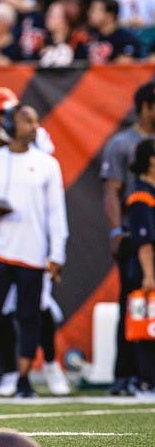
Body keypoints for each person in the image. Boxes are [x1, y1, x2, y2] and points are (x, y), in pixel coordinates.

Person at [0, 104, 68, 398]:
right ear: (11, 125)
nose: (34, 126)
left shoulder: (48, 164)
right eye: (27, 120)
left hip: (34, 253)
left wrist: (57, 253)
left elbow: (56, 214)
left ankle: (24, 379)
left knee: (29, 316)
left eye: (36, 121)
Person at [100, 81, 155, 395]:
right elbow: (111, 191)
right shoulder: (123, 143)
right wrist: (117, 229)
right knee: (132, 304)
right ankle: (126, 374)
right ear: (146, 106)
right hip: (137, 230)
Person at [126, 138, 155, 392]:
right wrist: (149, 274)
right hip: (145, 271)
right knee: (145, 327)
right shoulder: (140, 195)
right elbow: (143, 240)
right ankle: (145, 379)